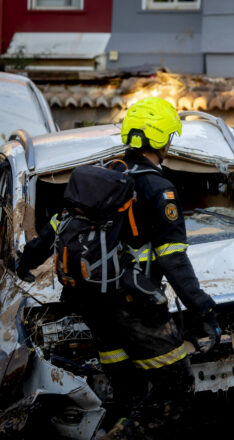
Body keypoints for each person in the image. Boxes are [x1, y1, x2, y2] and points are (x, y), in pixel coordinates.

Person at [15, 97, 221, 439]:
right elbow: (173, 260)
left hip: (91, 302)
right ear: (161, 139)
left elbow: (56, 226)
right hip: (134, 305)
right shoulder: (160, 190)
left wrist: (25, 262)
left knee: (129, 393)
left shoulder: (102, 177)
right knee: (175, 391)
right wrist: (204, 309)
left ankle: (119, 425)